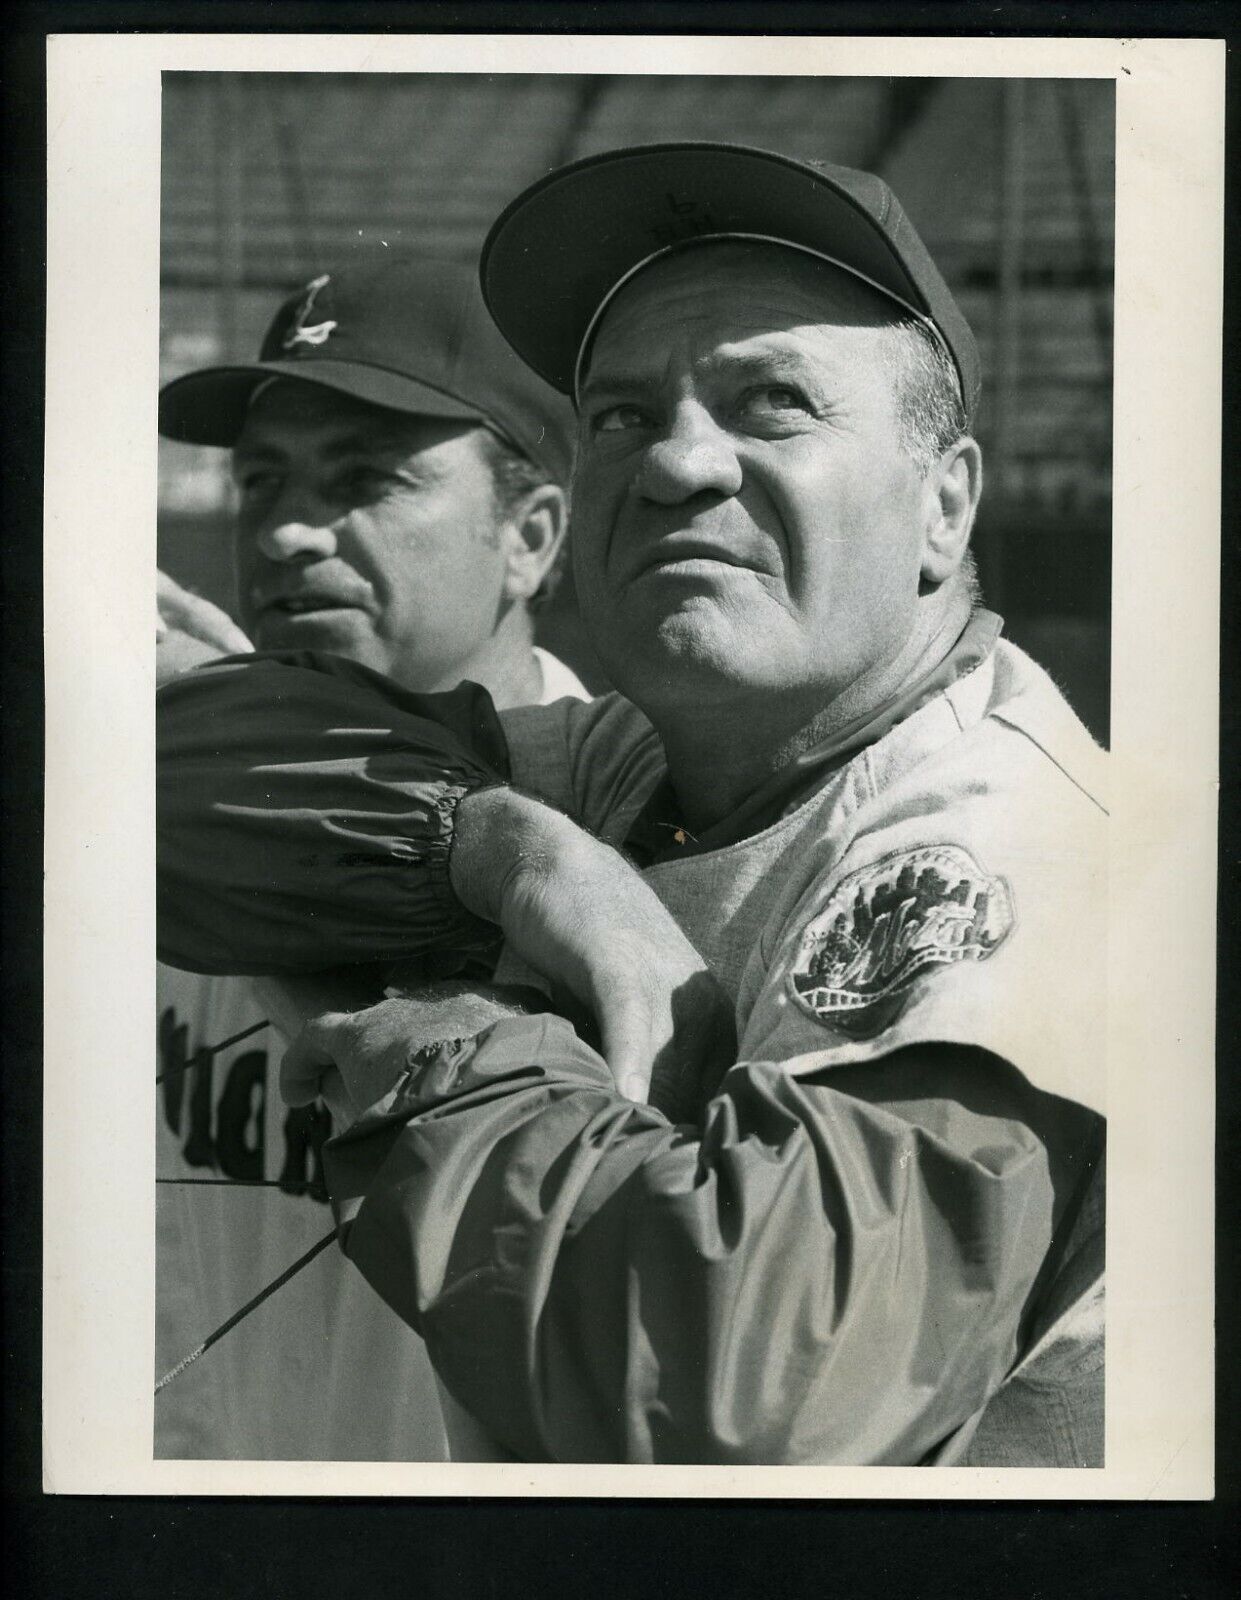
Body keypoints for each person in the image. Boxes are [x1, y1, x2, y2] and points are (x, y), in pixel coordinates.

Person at [158, 144, 1107, 1466]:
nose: (676, 465)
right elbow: (156, 770)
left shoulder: (1013, 836)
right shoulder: (615, 765)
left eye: (769, 404)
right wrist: (504, 849)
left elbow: (753, 1379)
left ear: (945, 506)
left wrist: (433, 1043)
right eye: (619, 416)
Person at [153, 253, 586, 1459]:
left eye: (363, 479)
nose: (287, 530)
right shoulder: (180, 828)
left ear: (530, 536)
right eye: (261, 479)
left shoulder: (635, 847)